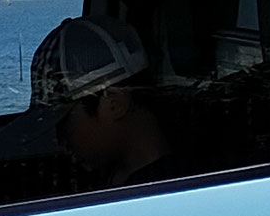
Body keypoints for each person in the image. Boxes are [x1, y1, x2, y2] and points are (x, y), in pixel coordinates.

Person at [30, 14, 174, 190]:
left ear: (114, 105)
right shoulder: (115, 172)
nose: (59, 139)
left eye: (62, 122)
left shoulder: (153, 193)